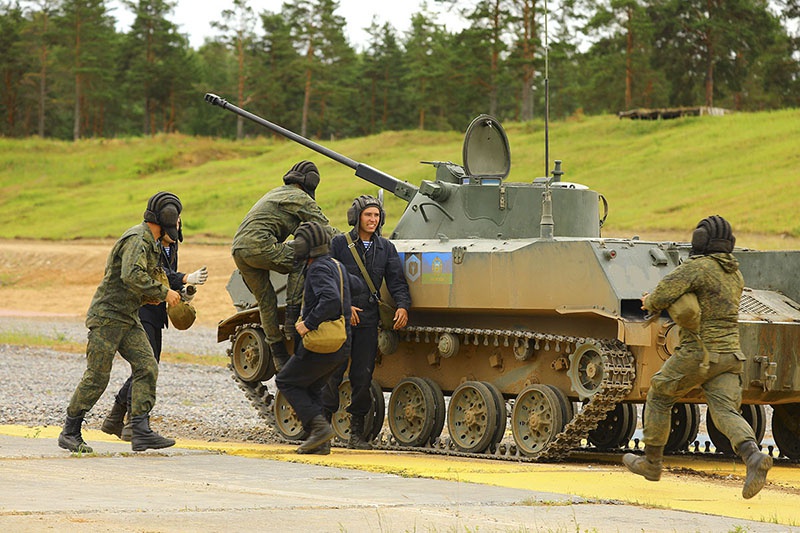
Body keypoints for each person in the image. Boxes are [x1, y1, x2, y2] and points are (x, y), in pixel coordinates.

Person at [623, 215, 772, 499]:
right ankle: (753, 457)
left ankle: (652, 463)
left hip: (699, 352)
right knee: (726, 411)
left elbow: (665, 291)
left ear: (700, 240)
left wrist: (650, 302)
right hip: (730, 355)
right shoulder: (735, 273)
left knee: (660, 392)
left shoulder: (698, 268)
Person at [58, 192, 182, 453]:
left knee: (147, 366)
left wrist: (154, 297)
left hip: (128, 317)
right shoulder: (137, 239)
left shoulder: (152, 242)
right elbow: (131, 274)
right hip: (107, 317)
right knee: (97, 376)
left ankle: (140, 430)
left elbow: (143, 279)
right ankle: (70, 431)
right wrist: (163, 293)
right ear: (164, 221)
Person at [100, 192, 209, 442]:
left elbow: (165, 274)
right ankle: (131, 424)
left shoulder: (171, 244)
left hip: (157, 309)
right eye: (174, 222)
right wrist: (183, 278)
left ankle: (116, 418)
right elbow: (151, 274)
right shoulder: (147, 242)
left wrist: (184, 291)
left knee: (150, 364)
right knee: (146, 365)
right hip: (141, 309)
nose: (177, 227)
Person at [231, 160, 337, 372]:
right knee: (302, 257)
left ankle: (278, 353)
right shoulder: (300, 198)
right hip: (261, 245)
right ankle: (291, 317)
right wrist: (351, 242)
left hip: (239, 250)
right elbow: (325, 230)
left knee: (265, 299)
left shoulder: (277, 192)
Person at [323, 195, 411, 449]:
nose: (372, 220)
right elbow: (326, 278)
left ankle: (356, 433)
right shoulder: (339, 244)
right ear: (357, 217)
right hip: (340, 319)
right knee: (333, 373)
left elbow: (396, 280)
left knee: (363, 376)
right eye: (368, 215)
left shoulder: (386, 248)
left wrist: (403, 305)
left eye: (376, 215)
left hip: (368, 319)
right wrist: (343, 304)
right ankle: (322, 430)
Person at [275, 221, 351, 455]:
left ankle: (319, 430)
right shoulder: (337, 265)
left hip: (320, 345)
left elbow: (330, 299)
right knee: (312, 388)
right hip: (341, 344)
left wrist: (308, 324)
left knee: (286, 381)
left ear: (307, 247)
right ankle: (321, 443)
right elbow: (354, 288)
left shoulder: (317, 269)